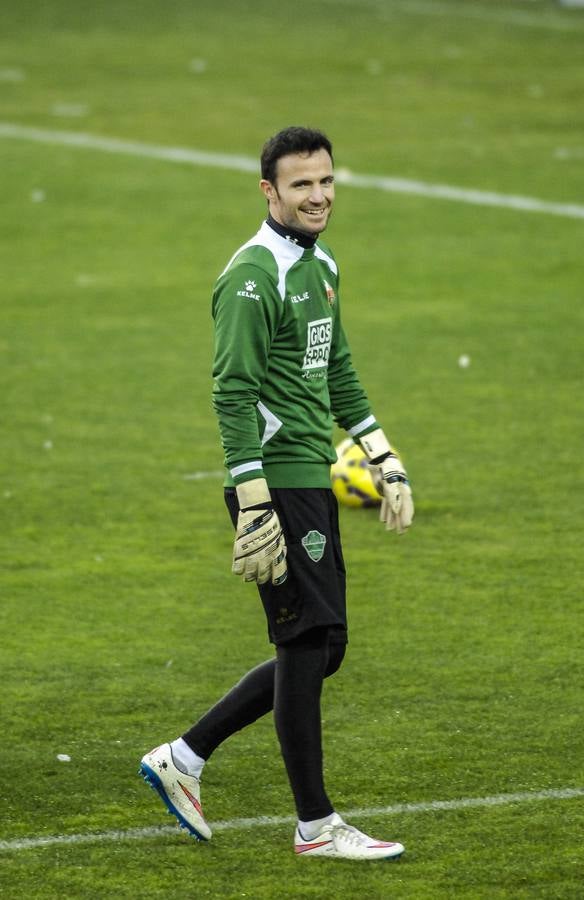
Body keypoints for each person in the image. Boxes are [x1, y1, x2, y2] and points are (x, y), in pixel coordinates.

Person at [139, 126, 414, 860]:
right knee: (307, 640)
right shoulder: (252, 276)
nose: (318, 195)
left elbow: (338, 371)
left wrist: (384, 456)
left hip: (310, 478)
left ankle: (185, 757)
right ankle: (315, 826)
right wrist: (254, 498)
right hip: (275, 485)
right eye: (301, 184)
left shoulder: (321, 266)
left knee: (324, 646)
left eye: (326, 181)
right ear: (270, 191)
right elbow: (231, 393)